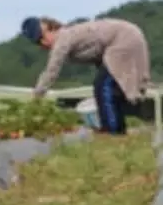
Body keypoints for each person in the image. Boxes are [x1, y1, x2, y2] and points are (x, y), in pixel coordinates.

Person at [21, 16, 151, 135]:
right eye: (38, 42)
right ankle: (114, 129)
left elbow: (51, 70)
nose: (44, 43)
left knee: (105, 87)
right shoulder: (70, 37)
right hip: (125, 39)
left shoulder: (63, 38)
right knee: (107, 88)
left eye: (43, 37)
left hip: (125, 38)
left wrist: (37, 96)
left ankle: (113, 133)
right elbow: (98, 54)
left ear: (52, 29)